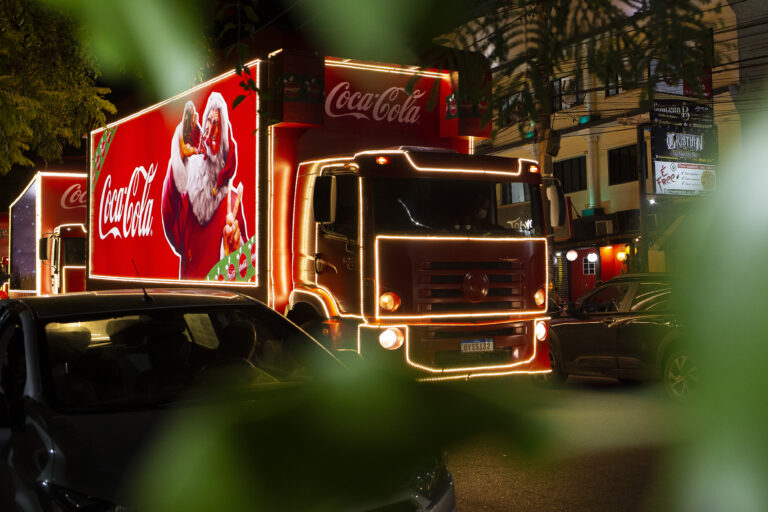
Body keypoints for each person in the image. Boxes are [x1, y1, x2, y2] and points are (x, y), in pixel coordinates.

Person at [161, 92, 248, 279]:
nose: (211, 129)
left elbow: (244, 273)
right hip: (189, 298)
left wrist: (235, 251)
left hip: (221, 300)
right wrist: (179, 157)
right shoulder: (190, 191)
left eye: (217, 123)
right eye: (209, 121)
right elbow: (170, 221)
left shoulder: (233, 203)